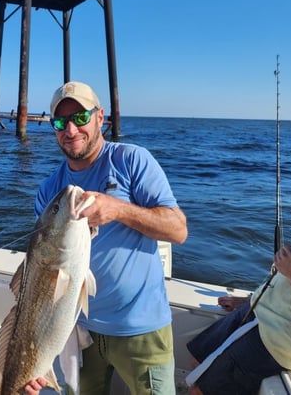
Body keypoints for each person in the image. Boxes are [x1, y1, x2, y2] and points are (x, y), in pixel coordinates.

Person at [25, 81, 188, 395]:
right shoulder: (49, 189)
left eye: (81, 118)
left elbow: (178, 230)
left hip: (140, 329)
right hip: (77, 331)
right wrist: (35, 355)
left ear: (101, 117)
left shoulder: (131, 161)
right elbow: (40, 273)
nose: (71, 129)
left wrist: (119, 210)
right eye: (60, 122)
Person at [186, 235, 291, 395]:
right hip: (256, 310)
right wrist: (247, 300)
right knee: (198, 361)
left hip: (277, 341)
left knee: (199, 392)